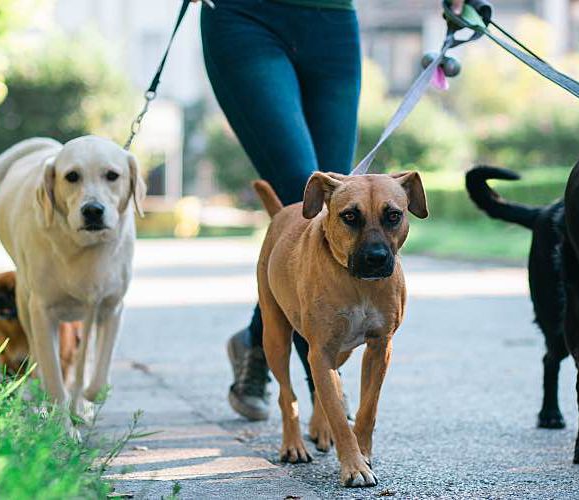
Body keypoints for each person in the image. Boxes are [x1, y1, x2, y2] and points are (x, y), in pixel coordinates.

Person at [195, 0, 463, 420]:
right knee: (307, 202)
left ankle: (259, 338)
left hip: (332, 19)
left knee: (344, 193)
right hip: (242, 17)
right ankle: (323, 404)